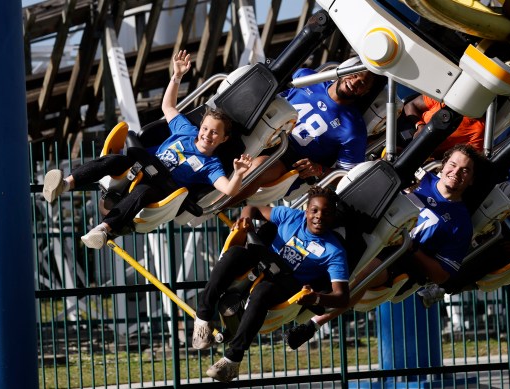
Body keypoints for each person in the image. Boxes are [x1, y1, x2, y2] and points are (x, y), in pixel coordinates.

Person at [42, 50, 252, 249]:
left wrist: (239, 173)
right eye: (205, 128)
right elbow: (168, 107)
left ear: (224, 139)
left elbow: (228, 189)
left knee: (142, 192)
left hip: (162, 186)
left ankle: (105, 229)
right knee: (114, 160)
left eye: (214, 133)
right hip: (143, 165)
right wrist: (176, 76)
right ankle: (65, 184)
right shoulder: (187, 131)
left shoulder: (211, 165)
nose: (207, 134)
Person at [284, 143, 484, 349]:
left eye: (465, 170)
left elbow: (442, 276)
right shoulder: (420, 179)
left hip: (401, 257)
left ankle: (315, 322)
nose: (456, 172)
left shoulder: (461, 223)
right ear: (443, 166)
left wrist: (411, 249)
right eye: (452, 165)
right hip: (374, 229)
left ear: (471, 180)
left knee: (366, 268)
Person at [192, 186, 350, 382]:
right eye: (314, 210)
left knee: (262, 292)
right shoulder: (292, 217)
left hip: (286, 284)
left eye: (326, 213)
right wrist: (246, 219)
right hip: (262, 261)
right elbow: (253, 208)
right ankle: (203, 318)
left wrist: (315, 297)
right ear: (306, 210)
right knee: (235, 254)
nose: (318, 216)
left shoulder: (334, 251)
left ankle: (232, 359)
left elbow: (342, 297)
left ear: (333, 217)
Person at [233, 64, 376, 202]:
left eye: (362, 83)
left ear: (366, 92)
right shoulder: (307, 77)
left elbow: (346, 177)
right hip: (266, 129)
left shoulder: (354, 129)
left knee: (257, 168)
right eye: (355, 75)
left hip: (289, 158)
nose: (355, 82)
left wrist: (319, 170)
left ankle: (220, 204)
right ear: (344, 71)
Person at [403, 94, 485, 159]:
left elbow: (467, 158)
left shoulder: (479, 128)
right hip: (403, 132)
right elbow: (410, 105)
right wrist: (420, 126)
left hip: (422, 158)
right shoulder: (443, 97)